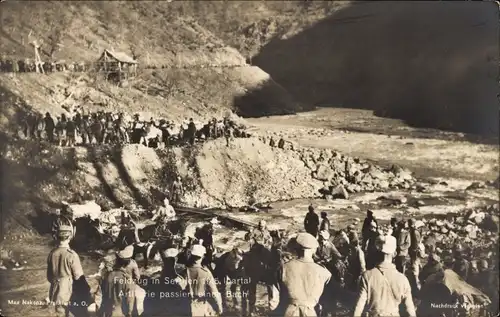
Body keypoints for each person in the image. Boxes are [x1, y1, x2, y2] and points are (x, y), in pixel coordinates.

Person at [353, 235, 416, 317]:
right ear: (394, 254)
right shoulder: (403, 279)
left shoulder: (367, 276)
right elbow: (410, 310)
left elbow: (358, 308)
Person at [275, 232, 331, 317]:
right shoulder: (323, 272)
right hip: (310, 313)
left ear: (296, 249)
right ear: (314, 250)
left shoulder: (284, 268)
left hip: (288, 312)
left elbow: (279, 294)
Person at [47, 224, 84, 317]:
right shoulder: (72, 255)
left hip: (55, 290)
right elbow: (79, 277)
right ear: (70, 237)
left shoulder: (52, 253)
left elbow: (49, 276)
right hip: (69, 291)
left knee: (60, 313)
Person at [185, 244, 223, 316]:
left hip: (185, 306)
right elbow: (215, 293)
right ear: (202, 256)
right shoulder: (206, 273)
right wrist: (219, 307)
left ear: (191, 256)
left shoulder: (184, 271)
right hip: (199, 306)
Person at [99, 248, 137, 317]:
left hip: (109, 312)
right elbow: (129, 302)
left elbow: (103, 293)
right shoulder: (127, 278)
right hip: (120, 313)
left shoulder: (107, 275)